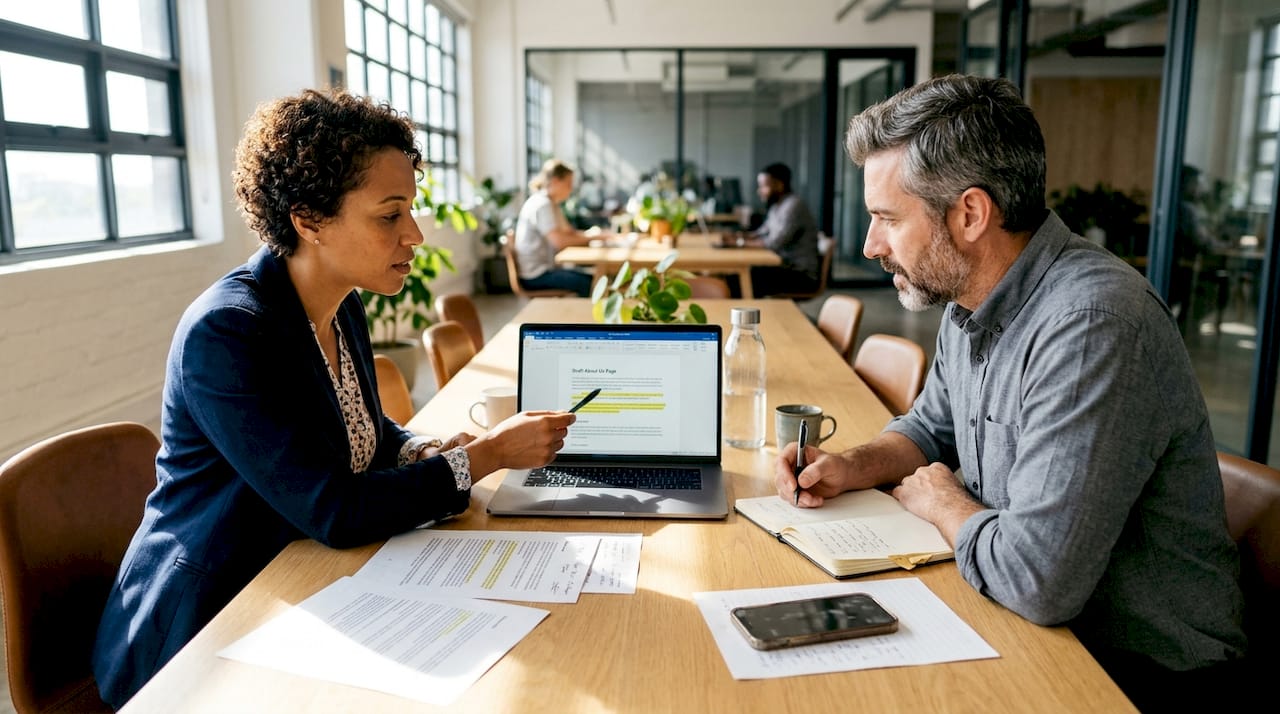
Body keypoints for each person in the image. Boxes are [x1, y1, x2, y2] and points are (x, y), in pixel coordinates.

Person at [91, 89, 576, 709]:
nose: (415, 235)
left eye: (411, 211)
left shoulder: (340, 304)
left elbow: (361, 428)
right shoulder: (228, 333)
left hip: (302, 582)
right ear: (308, 221)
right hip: (208, 621)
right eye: (389, 216)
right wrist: (483, 457)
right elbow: (333, 510)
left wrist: (423, 449)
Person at [775, 75, 1247, 711]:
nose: (870, 245)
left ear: (970, 214)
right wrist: (851, 465)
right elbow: (930, 429)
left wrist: (945, 503)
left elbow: (1037, 579)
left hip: (1134, 674)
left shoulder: (1092, 326)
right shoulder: (969, 299)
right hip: (1026, 627)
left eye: (887, 218)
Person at [512, 159, 600, 296]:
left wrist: (599, 236)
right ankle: (585, 310)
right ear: (555, 181)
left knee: (594, 278)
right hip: (536, 275)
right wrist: (593, 237)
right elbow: (560, 242)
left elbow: (569, 232)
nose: (571, 189)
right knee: (590, 283)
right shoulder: (542, 204)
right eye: (568, 184)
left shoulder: (551, 204)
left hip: (544, 270)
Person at [738, 162, 821, 296]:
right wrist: (740, 237)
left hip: (800, 274)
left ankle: (748, 309)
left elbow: (774, 243)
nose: (759, 191)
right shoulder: (777, 205)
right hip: (785, 268)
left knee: (742, 279)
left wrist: (741, 243)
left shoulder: (793, 206)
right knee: (742, 275)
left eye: (763, 186)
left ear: (779, 185)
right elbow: (763, 231)